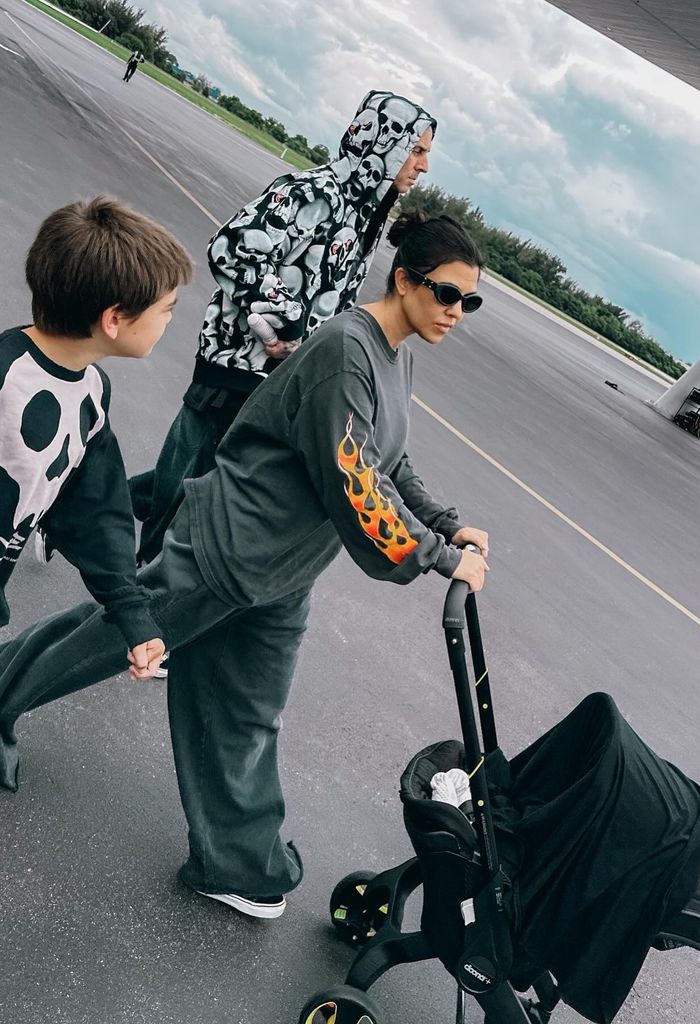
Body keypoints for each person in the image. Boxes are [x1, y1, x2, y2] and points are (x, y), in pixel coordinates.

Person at [0, 211, 490, 921]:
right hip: (228, 547)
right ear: (405, 279)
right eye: (447, 294)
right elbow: (355, 480)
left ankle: (237, 863)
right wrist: (442, 557)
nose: (456, 313)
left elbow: (390, 456)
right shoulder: (346, 349)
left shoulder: (396, 352)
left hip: (279, 571)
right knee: (98, 642)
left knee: (247, 714)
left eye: (469, 302)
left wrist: (445, 519)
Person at [129, 89, 436, 567]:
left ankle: (88, 511)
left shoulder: (365, 217)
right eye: (416, 150)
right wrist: (286, 316)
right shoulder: (312, 193)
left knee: (205, 490)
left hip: (278, 389)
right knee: (179, 501)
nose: (422, 166)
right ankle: (129, 608)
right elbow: (230, 248)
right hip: (233, 373)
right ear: (384, 144)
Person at [0, 196, 191, 675]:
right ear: (114, 319)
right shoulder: (5, 376)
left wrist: (134, 616)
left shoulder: (90, 392)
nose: (170, 320)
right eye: (166, 309)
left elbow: (95, 510)